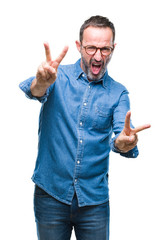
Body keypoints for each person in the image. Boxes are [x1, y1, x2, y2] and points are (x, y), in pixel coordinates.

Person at [19, 15, 150, 240]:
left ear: (113, 49)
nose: (98, 56)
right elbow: (36, 90)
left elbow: (122, 135)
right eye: (91, 48)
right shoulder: (56, 77)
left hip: (94, 202)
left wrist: (123, 142)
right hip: (50, 194)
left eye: (105, 49)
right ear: (79, 46)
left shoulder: (118, 93)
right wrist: (42, 81)